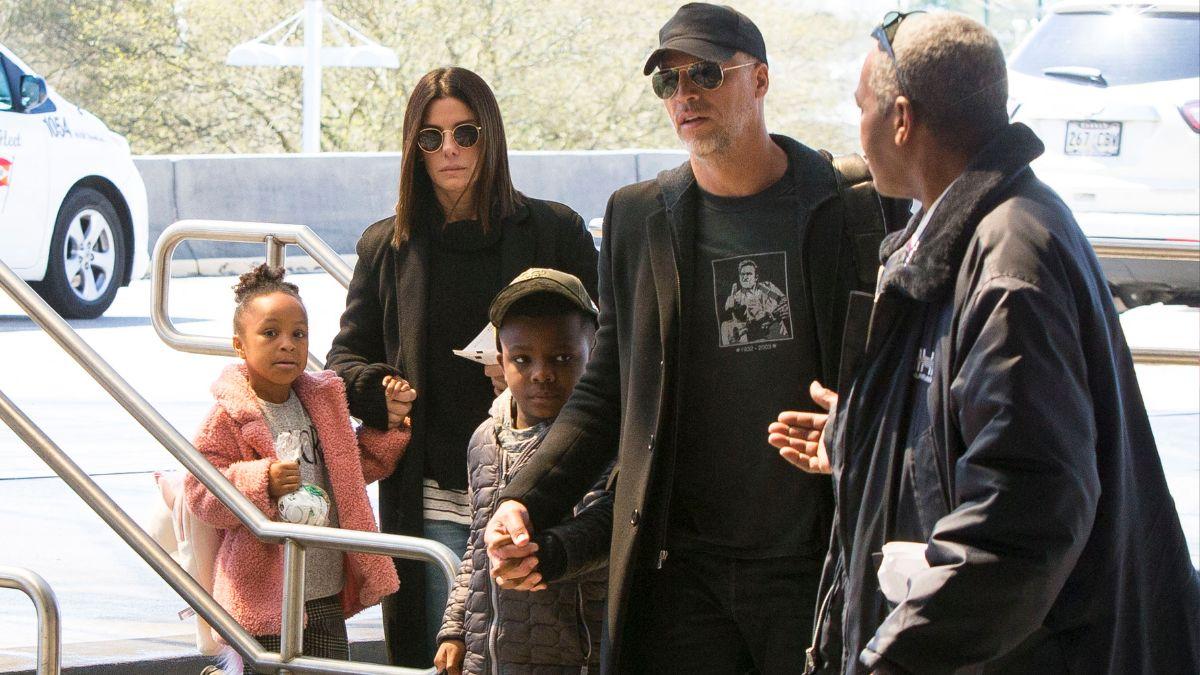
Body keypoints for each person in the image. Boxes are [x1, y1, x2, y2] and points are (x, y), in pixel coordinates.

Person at [770, 12, 1200, 674]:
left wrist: (888, 659)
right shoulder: (969, 235)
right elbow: (970, 431)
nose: (856, 128)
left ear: (902, 118)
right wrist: (866, 438)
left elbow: (1023, 523)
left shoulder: (1009, 269)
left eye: (862, 108)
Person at [483, 4, 900, 672]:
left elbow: (903, 368)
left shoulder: (850, 203)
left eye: (706, 72)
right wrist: (523, 500)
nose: (686, 94)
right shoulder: (637, 216)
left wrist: (856, 425)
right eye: (668, 82)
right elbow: (607, 391)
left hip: (816, 565)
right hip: (681, 574)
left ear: (760, 79)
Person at [325, 66, 599, 665]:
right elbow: (342, 359)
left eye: (465, 133)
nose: (449, 150)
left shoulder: (555, 230)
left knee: (541, 653)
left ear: (491, 137)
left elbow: (608, 348)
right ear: (413, 148)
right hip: (433, 493)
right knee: (439, 654)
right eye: (431, 137)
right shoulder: (385, 246)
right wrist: (376, 391)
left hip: (546, 484)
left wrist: (531, 370)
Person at [184, 264, 412, 673]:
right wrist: (260, 482)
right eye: (270, 333)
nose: (287, 344)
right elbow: (200, 492)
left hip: (323, 587)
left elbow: (347, 471)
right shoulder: (229, 415)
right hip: (263, 594)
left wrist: (387, 432)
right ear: (239, 345)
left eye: (298, 333)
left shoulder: (319, 403)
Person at [434, 268, 610, 675]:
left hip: (577, 655)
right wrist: (455, 629)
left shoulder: (605, 444)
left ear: (595, 353)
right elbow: (477, 545)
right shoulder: (483, 439)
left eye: (563, 358)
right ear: (500, 360)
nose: (542, 373)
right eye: (522, 359)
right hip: (491, 657)